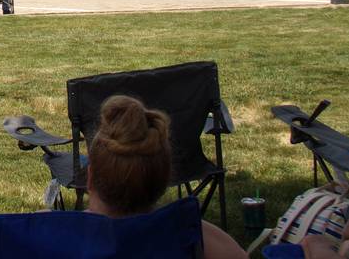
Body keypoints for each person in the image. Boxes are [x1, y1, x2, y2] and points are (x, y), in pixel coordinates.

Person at [86, 95, 246, 259]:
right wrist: (190, 224)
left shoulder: (65, 238)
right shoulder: (188, 235)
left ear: (90, 179)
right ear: (164, 180)